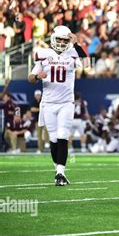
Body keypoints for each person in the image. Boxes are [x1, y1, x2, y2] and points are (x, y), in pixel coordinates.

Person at [27, 25, 87, 185]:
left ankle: (60, 172)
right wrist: (38, 76)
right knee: (53, 139)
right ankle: (59, 172)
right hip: (48, 103)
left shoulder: (72, 53)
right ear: (53, 39)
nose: (61, 42)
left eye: (64, 40)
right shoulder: (44, 54)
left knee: (62, 135)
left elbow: (87, 63)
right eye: (59, 39)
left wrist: (76, 44)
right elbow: (30, 77)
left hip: (66, 102)